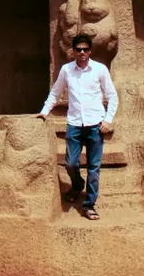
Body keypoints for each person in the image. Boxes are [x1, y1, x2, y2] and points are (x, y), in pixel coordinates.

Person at [38, 33, 118, 220]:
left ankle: (89, 204)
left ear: (90, 51)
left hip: (95, 124)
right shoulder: (67, 70)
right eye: (78, 49)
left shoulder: (99, 69)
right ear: (73, 51)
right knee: (71, 163)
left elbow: (112, 96)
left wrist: (108, 120)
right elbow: (56, 93)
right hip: (74, 123)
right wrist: (44, 111)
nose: (82, 52)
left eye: (85, 49)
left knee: (94, 167)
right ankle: (77, 184)